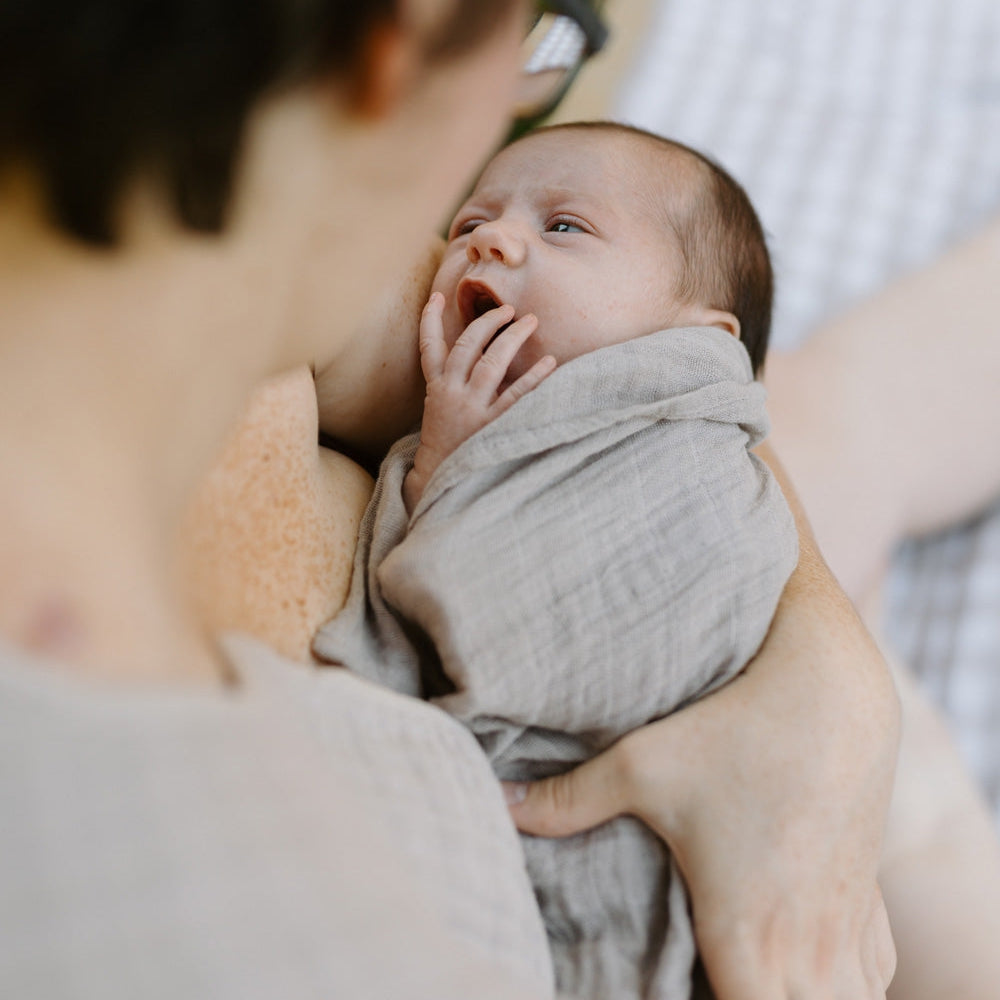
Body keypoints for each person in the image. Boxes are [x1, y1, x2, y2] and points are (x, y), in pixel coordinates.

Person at [0, 2, 898, 998]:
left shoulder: (257, 283)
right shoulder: (299, 911)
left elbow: (635, 373)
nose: (469, 244)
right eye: (536, 39)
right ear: (404, 41)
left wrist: (834, 673)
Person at [314, 120, 798, 999]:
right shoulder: (444, 434)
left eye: (564, 227)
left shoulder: (697, 464)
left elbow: (542, 617)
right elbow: (414, 592)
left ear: (701, 336)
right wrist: (440, 462)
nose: (490, 239)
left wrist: (458, 474)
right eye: (468, 225)